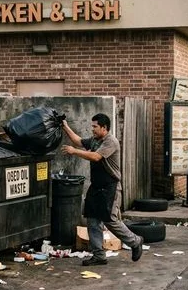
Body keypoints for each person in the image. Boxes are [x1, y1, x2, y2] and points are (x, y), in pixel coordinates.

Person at [61, 113, 144, 266]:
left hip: (110, 186)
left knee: (110, 220)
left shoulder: (110, 141)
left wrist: (74, 152)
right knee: (92, 219)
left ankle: (135, 241)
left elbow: (96, 157)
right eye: (92, 126)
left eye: (95, 126)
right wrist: (65, 126)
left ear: (104, 128)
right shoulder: (95, 140)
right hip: (97, 186)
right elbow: (78, 141)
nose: (92, 129)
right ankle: (99, 255)